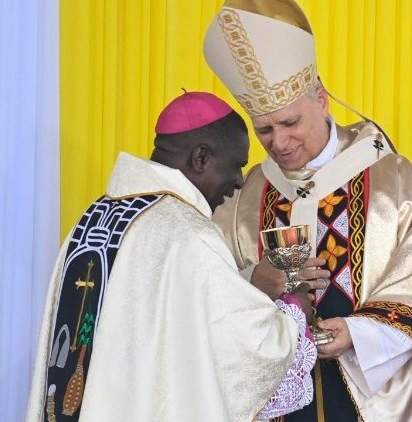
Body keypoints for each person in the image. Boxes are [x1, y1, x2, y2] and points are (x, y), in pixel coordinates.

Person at [203, 1, 412, 421]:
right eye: (264, 129)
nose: (279, 143)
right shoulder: (243, 198)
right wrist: (254, 279)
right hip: (277, 395)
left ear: (321, 101)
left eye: (290, 123)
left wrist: (358, 335)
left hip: (377, 391)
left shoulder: (397, 182)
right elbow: (212, 282)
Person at [26, 91, 318, 422]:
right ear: (201, 158)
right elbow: (243, 349)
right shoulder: (187, 233)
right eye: (236, 165)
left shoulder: (94, 217)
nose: (238, 182)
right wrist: (294, 314)